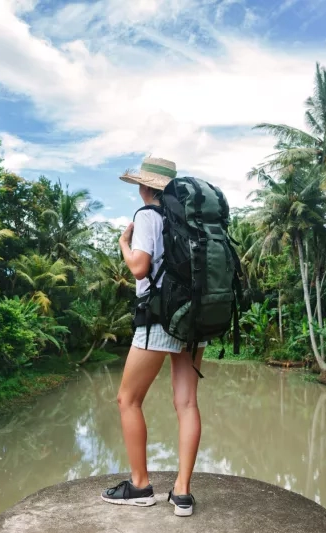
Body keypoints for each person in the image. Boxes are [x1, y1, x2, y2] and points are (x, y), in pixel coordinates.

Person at [100, 157, 206, 517]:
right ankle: (182, 493)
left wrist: (124, 245)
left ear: (145, 187)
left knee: (127, 399)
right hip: (194, 319)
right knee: (187, 403)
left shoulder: (148, 216)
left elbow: (140, 268)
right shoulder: (193, 222)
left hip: (159, 319)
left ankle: (141, 486)